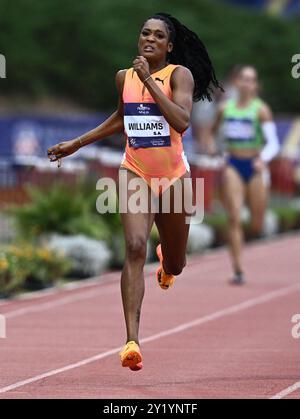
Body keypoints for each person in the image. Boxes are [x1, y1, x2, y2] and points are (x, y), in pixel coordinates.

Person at [47, 12, 221, 371]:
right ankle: (132, 341)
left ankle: (169, 266)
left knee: (177, 261)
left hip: (173, 177)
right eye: (145, 33)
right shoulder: (123, 77)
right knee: (134, 247)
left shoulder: (179, 75)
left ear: (169, 46)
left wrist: (149, 79)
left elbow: (181, 121)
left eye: (159, 36)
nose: (150, 39)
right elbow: (120, 119)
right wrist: (76, 143)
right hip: (135, 171)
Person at [208, 65, 280, 285]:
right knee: (234, 217)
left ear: (256, 85)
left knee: (257, 223)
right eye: (243, 78)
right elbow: (213, 133)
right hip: (233, 164)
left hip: (255, 165)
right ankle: (238, 270)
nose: (246, 83)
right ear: (236, 82)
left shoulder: (261, 110)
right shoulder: (225, 108)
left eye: (251, 79)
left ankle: (254, 228)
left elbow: (273, 144)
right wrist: (214, 147)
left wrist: (263, 159)